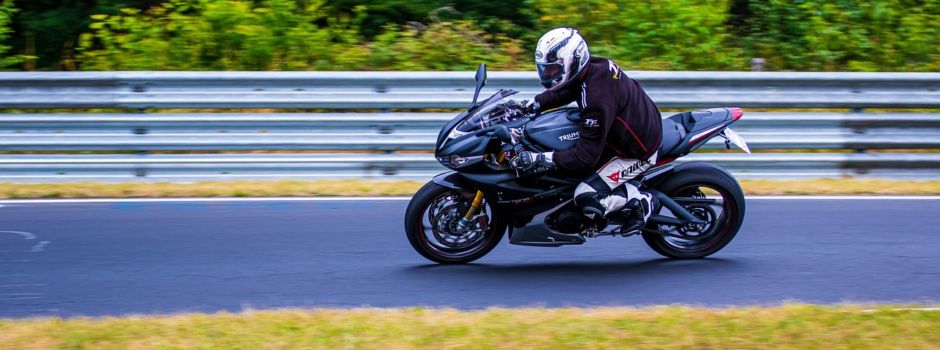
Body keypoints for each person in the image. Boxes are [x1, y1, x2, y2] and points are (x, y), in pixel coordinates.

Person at [509, 27, 663, 233]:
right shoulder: (594, 68)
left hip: (636, 152)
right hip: (629, 130)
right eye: (545, 69)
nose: (547, 74)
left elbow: (584, 158)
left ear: (574, 60)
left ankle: (641, 201)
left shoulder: (596, 102)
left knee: (585, 195)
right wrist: (531, 104)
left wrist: (540, 159)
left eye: (553, 69)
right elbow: (567, 89)